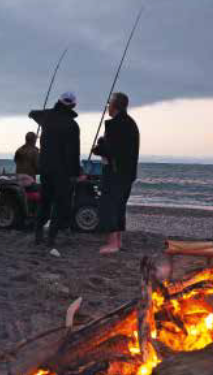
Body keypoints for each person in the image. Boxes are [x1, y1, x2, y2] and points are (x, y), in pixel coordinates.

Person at [28, 92, 83, 253]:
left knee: (44, 201)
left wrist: (36, 115)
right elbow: (74, 152)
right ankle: (51, 237)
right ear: (73, 106)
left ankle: (38, 235)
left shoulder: (45, 117)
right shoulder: (72, 125)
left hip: (45, 169)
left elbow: (32, 113)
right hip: (63, 172)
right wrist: (76, 172)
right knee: (59, 205)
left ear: (59, 102)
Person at [93, 92, 140, 254]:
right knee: (119, 206)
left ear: (115, 105)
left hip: (115, 173)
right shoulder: (130, 123)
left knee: (109, 206)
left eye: (109, 103)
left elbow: (112, 150)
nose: (108, 106)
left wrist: (98, 149)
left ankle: (112, 243)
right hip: (127, 173)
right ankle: (118, 242)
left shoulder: (116, 125)